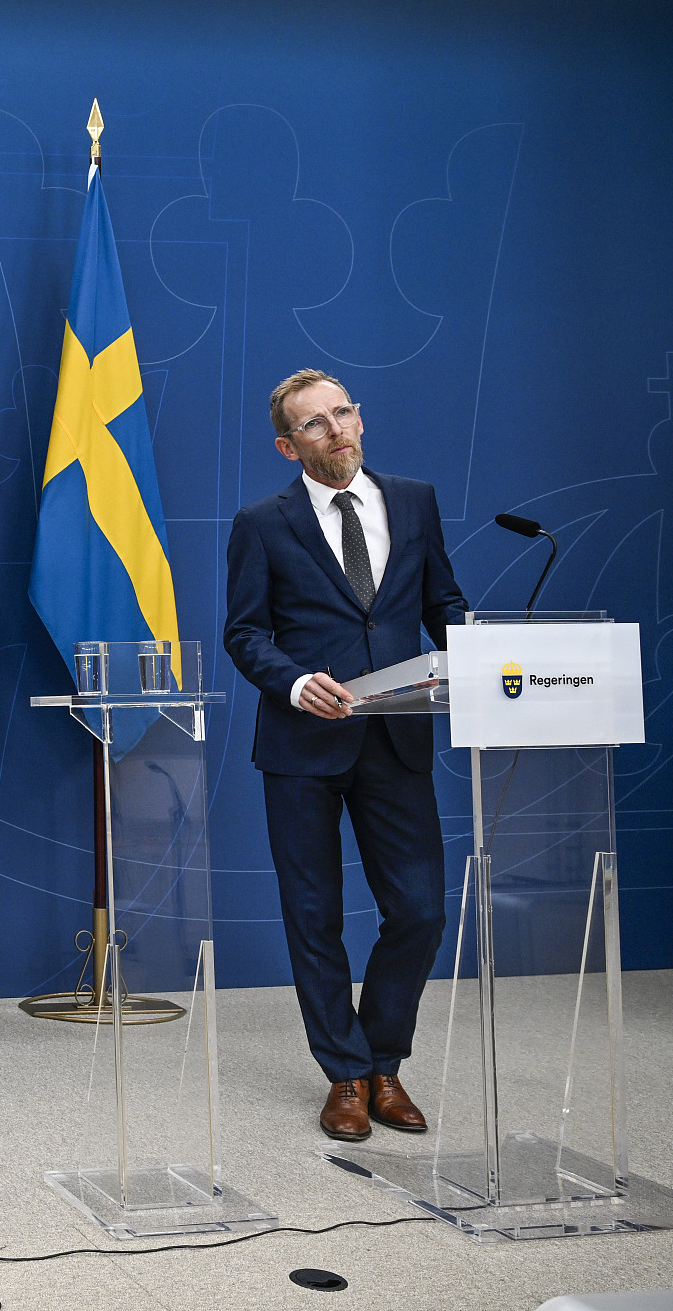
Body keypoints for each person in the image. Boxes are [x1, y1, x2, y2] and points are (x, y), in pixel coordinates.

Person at [223, 368, 466, 1143]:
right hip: (303, 744)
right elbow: (245, 633)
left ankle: (385, 1056)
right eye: (316, 423)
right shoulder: (262, 523)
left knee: (421, 908)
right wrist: (294, 682)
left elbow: (442, 603)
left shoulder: (416, 500)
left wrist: (483, 653)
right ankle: (347, 1076)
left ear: (360, 419)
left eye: (344, 413)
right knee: (314, 917)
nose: (337, 430)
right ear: (287, 444)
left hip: (398, 735)